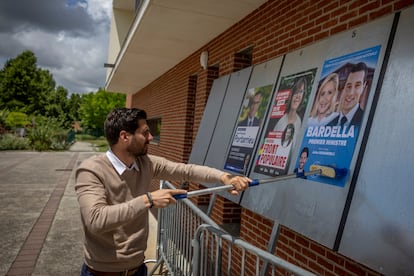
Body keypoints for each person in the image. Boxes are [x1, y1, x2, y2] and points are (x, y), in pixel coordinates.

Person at [75, 108, 251, 276]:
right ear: (124, 136)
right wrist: (148, 200)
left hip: (138, 269)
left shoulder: (146, 163)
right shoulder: (91, 170)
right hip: (102, 272)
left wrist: (224, 178)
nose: (150, 137)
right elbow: (95, 219)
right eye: (144, 133)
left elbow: (185, 170)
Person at [328, 62, 368, 127]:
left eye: (357, 85)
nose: (351, 93)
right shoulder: (329, 125)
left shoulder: (364, 120)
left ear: (364, 86)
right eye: (349, 86)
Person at [273, 77, 307, 144]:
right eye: (296, 91)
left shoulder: (300, 123)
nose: (297, 96)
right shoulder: (280, 121)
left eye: (301, 92)